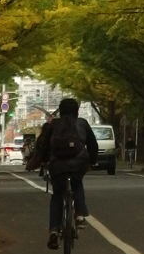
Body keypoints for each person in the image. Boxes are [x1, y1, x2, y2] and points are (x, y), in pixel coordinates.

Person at [31, 97, 99, 246]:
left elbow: (43, 146)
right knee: (77, 184)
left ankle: (54, 230)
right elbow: (93, 145)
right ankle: (80, 215)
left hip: (58, 165)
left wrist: (42, 162)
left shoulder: (53, 125)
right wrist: (92, 161)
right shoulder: (82, 123)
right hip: (78, 163)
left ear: (60, 111)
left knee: (57, 195)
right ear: (77, 111)